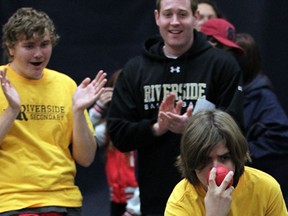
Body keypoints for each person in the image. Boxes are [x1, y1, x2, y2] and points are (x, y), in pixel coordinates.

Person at [107, 0, 244, 214]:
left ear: (196, 17)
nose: (174, 22)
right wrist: (156, 128)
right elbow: (118, 134)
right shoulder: (136, 70)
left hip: (214, 194)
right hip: (156, 197)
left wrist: (195, 128)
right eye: (167, 14)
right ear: (156, 17)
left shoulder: (222, 64)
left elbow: (237, 128)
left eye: (182, 14)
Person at [0, 7, 107, 215]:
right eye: (29, 46)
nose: (38, 53)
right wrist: (12, 110)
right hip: (13, 202)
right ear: (10, 48)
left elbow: (85, 158)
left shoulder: (65, 84)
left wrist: (78, 111)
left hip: (63, 200)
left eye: (45, 44)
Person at [165, 109, 288, 215]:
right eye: (205, 160)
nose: (215, 169)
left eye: (224, 158)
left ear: (236, 156)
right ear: (192, 161)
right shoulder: (180, 202)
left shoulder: (265, 188)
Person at [235, 33, 288, 207]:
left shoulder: (263, 97)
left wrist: (240, 154)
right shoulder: (236, 92)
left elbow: (282, 137)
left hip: (256, 187)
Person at [89, 69, 141, 216]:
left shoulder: (145, 128)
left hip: (139, 206)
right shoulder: (109, 129)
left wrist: (133, 210)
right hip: (117, 203)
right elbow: (81, 136)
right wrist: (99, 107)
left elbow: (149, 174)